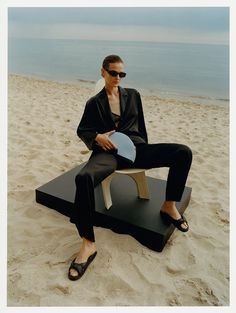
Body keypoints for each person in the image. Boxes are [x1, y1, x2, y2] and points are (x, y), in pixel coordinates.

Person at [68, 55, 192, 281]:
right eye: (113, 73)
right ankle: (88, 244)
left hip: (136, 150)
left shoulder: (133, 95)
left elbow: (141, 125)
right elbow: (82, 130)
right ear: (103, 72)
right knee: (83, 178)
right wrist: (96, 137)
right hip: (109, 153)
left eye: (121, 74)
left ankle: (168, 205)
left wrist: (141, 147)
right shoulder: (94, 103)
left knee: (183, 152)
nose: (117, 78)